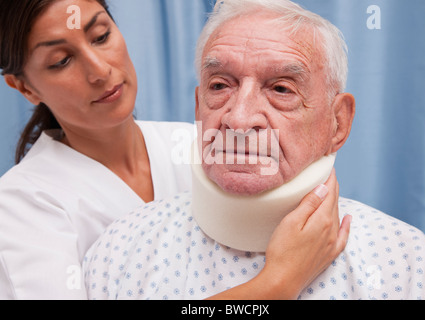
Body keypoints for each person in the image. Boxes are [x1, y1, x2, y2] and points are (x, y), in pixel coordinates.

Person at [83, 0, 425, 300]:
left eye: (281, 89)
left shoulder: (408, 265)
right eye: (220, 85)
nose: (239, 120)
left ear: (338, 122)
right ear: (198, 108)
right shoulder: (120, 252)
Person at [0, 0, 349, 300]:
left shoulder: (197, 145)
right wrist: (279, 283)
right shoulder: (24, 205)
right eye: (61, 60)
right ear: (24, 87)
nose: (100, 70)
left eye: (101, 36)